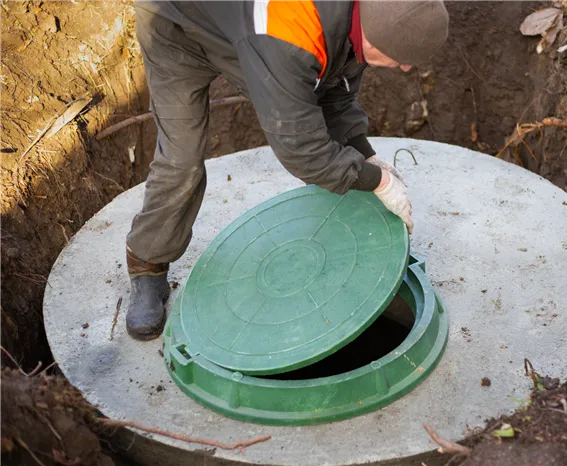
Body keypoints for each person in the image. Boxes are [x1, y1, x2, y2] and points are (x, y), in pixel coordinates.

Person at [125, 0, 449, 340]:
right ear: (371, 34)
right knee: (181, 158)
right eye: (401, 58)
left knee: (295, 81)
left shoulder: (363, 17)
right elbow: (302, 151)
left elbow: (334, 92)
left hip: (241, 24)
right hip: (177, 24)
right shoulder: (289, 33)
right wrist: (378, 182)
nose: (407, 68)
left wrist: (363, 155)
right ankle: (147, 263)